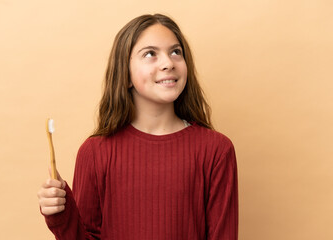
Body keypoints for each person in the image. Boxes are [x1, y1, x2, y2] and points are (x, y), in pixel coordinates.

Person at [37, 13, 238, 240]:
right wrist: (61, 217)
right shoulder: (94, 153)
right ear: (126, 75)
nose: (168, 63)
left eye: (175, 52)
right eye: (150, 54)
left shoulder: (216, 150)